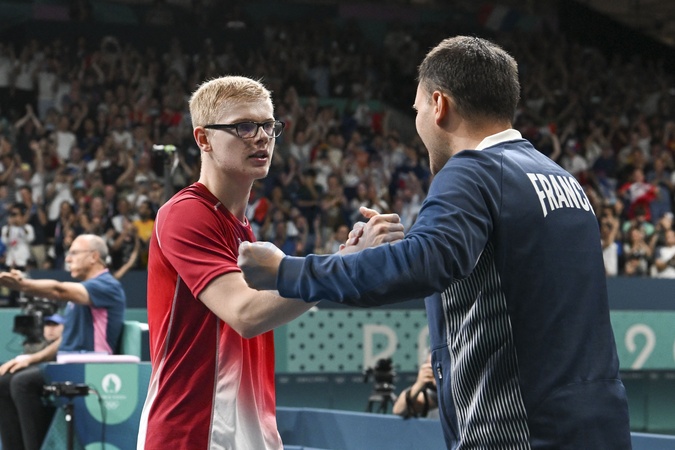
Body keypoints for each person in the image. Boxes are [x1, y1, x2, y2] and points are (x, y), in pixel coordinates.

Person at [238, 36, 631, 449]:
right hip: (600, 429)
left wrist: (285, 271)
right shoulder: (561, 179)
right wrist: (406, 246)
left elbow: (424, 265)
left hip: (521, 434)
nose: (418, 122)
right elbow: (517, 287)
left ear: (439, 105)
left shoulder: (472, 170)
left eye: (417, 109)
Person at [135, 75, 401, 450]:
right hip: (191, 434)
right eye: (244, 126)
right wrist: (342, 264)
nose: (261, 137)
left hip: (249, 433)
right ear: (203, 139)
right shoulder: (186, 213)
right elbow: (245, 313)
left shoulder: (244, 230)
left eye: (268, 126)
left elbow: (271, 308)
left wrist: (346, 261)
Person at [0, 233, 126, 450]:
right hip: (68, 364)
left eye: (74, 253)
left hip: (91, 366)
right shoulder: (83, 292)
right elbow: (65, 340)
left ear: (94, 257)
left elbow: (58, 289)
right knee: (4, 381)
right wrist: (30, 358)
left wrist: (23, 285)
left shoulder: (107, 286)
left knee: (22, 383)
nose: (67, 259)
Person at [392, 354, 438, 419]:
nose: (438, 373)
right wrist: (419, 385)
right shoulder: (435, 395)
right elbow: (399, 410)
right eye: (433, 369)